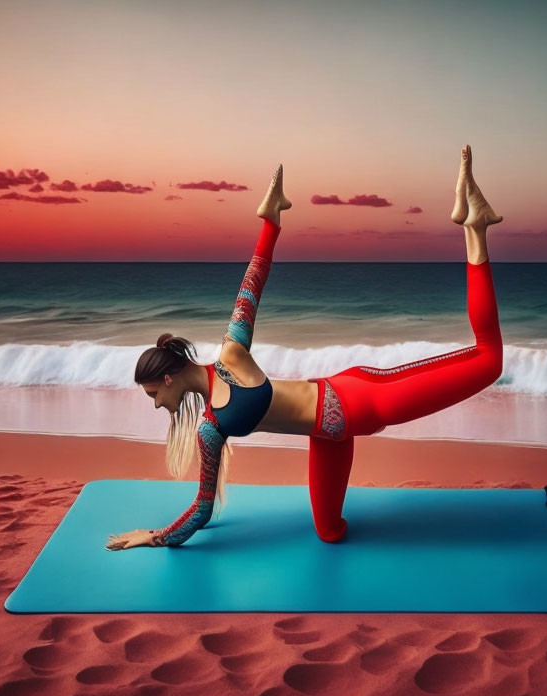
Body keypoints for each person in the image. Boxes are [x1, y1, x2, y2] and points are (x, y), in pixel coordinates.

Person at [106, 145, 503, 550]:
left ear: (168, 377)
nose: (156, 404)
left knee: (489, 360)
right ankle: (474, 224)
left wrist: (270, 224)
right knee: (329, 532)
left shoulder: (231, 356)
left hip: (358, 399)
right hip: (329, 434)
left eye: (154, 393)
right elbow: (203, 508)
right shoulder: (210, 428)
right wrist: (159, 534)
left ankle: (475, 228)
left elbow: (252, 282)